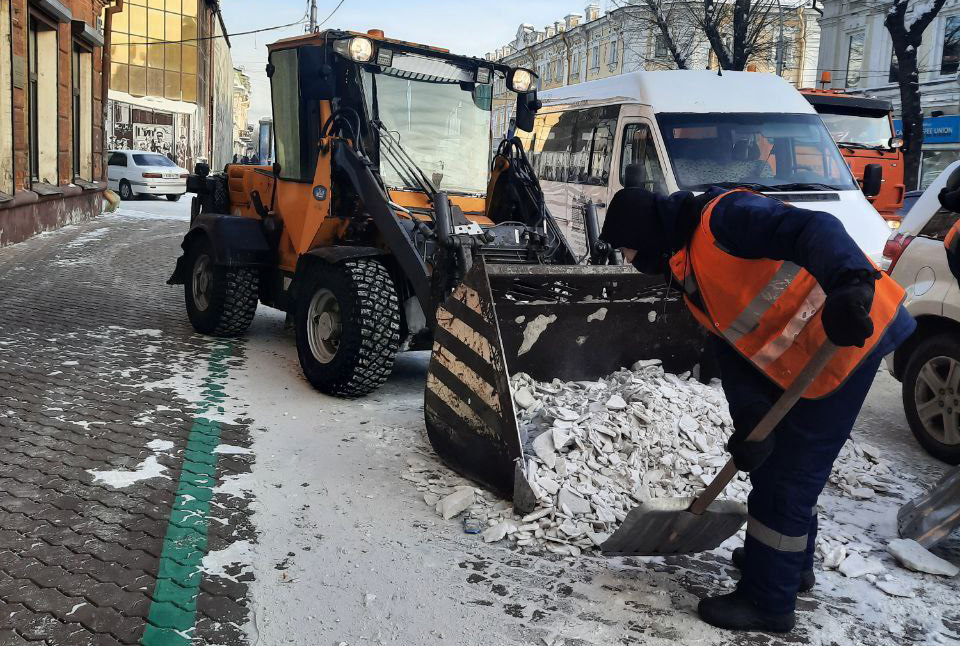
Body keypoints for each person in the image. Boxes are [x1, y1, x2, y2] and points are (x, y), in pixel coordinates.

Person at [599, 186, 916, 633]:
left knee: (787, 480)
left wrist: (850, 286)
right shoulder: (690, 273)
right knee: (776, 468)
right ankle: (788, 565)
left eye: (628, 248)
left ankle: (768, 602)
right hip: (805, 363)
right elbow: (735, 353)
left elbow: (815, 228)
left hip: (850, 336)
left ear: (644, 233)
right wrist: (750, 419)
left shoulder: (724, 219)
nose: (630, 259)